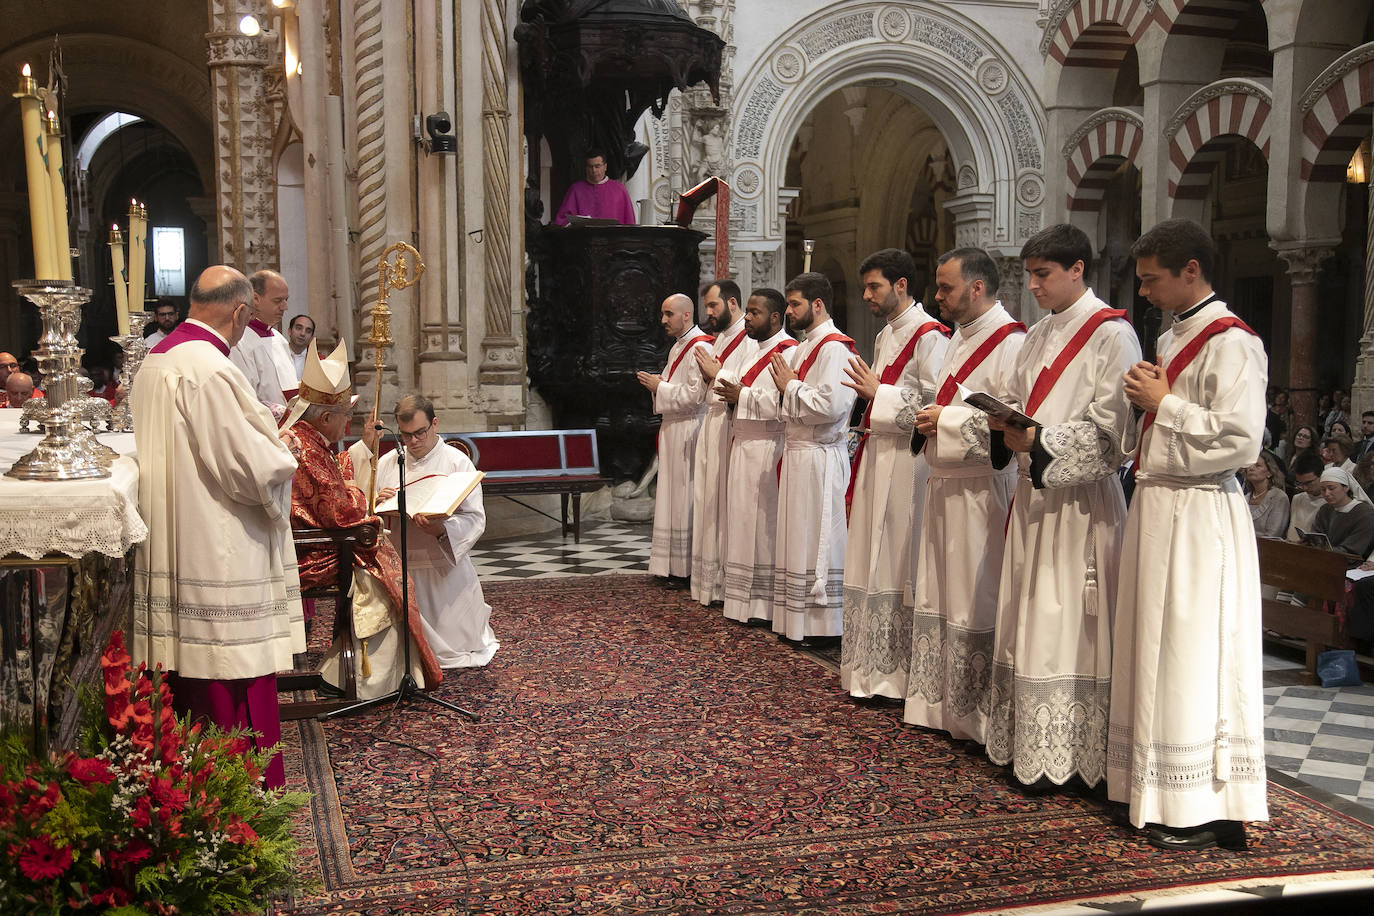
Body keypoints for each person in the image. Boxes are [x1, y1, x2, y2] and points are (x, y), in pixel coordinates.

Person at [1106, 217, 1269, 851]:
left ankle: (1204, 802)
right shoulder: (1176, 334)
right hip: (1158, 503)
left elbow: (1241, 440)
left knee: (1192, 656)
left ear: (1190, 272)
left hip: (1201, 514)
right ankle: (1158, 791)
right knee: (1155, 646)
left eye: (1151, 280)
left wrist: (1164, 403)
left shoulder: (1232, 343)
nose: (1143, 292)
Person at [129, 265, 304, 789]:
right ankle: (244, 794)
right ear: (238, 311)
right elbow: (249, 468)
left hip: (175, 535)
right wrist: (286, 453)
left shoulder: (156, 361)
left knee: (189, 674)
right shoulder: (209, 368)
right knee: (231, 670)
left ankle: (186, 790)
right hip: (219, 543)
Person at [985, 223, 1139, 791]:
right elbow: (1026, 399)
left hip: (1079, 505)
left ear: (1078, 269)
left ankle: (1075, 758)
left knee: (1066, 621)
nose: (1033, 285)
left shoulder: (1112, 336)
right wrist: (1008, 422)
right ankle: (1033, 746)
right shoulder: (1038, 332)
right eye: (1028, 274)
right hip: (1033, 495)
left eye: (1043, 274)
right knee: (1030, 614)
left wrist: (1041, 440)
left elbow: (1113, 435)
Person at [905, 248, 1025, 741]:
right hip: (945, 482)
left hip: (981, 490)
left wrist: (946, 420)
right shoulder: (959, 336)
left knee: (975, 596)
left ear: (977, 288)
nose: (938, 297)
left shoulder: (1012, 341)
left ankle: (976, 716)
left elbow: (1013, 416)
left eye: (946, 287)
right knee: (940, 593)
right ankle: (945, 707)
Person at [281, 340, 442, 699]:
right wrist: (358, 492)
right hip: (314, 553)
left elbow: (331, 482)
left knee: (384, 557)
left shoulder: (304, 438)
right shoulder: (306, 445)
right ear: (325, 417)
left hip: (309, 542)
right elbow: (343, 510)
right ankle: (372, 680)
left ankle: (349, 666)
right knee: (387, 573)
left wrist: (361, 455)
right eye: (345, 415)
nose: (349, 422)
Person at [839, 248, 949, 702]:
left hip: (907, 463)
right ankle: (868, 668)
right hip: (878, 454)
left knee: (894, 558)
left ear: (901, 285)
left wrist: (877, 394)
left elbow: (933, 407)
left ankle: (895, 674)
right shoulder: (888, 335)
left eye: (874, 287)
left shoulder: (930, 337)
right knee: (869, 554)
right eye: (865, 287)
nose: (867, 295)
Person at [358, 394, 499, 668]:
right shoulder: (388, 462)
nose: (413, 442)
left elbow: (474, 518)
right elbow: (364, 506)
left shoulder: (457, 462)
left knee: (455, 648)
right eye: (405, 435)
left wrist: (441, 529)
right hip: (403, 559)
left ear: (434, 424)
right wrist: (378, 499)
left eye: (420, 433)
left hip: (442, 564)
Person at [770, 272, 858, 646]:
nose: (789, 312)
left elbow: (832, 405)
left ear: (817, 305)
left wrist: (789, 386)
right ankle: (797, 620)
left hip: (820, 457)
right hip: (798, 454)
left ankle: (822, 624)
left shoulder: (835, 348)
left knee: (818, 539)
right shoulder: (806, 347)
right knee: (797, 539)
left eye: (795, 304)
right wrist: (787, 390)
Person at [714, 288, 795, 625]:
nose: (747, 317)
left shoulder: (789, 352)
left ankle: (763, 604)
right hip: (743, 445)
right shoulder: (752, 351)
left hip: (766, 448)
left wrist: (741, 394)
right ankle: (741, 600)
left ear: (775, 317)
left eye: (755, 312)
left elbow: (784, 404)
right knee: (741, 522)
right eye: (746, 311)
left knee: (762, 526)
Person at [638, 293, 712, 588]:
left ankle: (685, 569)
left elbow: (696, 397)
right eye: (662, 313)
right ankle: (671, 564)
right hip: (674, 427)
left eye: (669, 314)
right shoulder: (679, 346)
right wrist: (662, 386)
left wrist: (660, 386)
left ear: (686, 315)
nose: (663, 320)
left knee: (685, 496)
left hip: (689, 429)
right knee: (671, 496)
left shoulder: (701, 347)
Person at [688, 279, 750, 606]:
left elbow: (740, 384)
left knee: (721, 501)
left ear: (733, 304)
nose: (708, 312)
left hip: (728, 424)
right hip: (710, 423)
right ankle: (707, 582)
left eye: (713, 305)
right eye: (707, 306)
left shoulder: (747, 338)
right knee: (707, 498)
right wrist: (707, 376)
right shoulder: (720, 338)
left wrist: (716, 373)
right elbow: (706, 388)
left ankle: (723, 583)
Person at [229, 269, 298, 412]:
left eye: (286, 300)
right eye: (278, 300)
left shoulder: (280, 339)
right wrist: (281, 412)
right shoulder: (239, 341)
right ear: (255, 299)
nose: (285, 307)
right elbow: (244, 397)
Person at [554, 150, 636, 226]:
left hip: (613, 239)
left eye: (597, 166)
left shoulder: (619, 189)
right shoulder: (576, 189)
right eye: (590, 166)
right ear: (586, 168)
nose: (593, 170)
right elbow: (562, 220)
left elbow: (629, 221)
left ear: (605, 166)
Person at [1310, 466, 1374, 559]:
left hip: (1350, 566)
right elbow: (1316, 536)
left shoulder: (1365, 514)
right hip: (1323, 559)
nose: (1327, 493)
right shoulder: (1325, 509)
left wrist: (1323, 549)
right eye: (1323, 489)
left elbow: (1352, 551)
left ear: (1346, 487)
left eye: (1331, 488)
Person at [1244, 451, 1289, 538]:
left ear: (1269, 473)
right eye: (1250, 465)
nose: (1251, 468)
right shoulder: (1244, 497)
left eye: (1257, 466)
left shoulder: (1279, 497)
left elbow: (1273, 535)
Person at [1286, 454, 1327, 542]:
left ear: (1322, 475)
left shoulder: (1330, 501)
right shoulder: (1297, 498)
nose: (1304, 488)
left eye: (1308, 483)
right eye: (1300, 483)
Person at [286, 313, 316, 380]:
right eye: (299, 328)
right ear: (289, 331)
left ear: (312, 338)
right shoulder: (277, 356)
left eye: (308, 331)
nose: (303, 333)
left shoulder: (319, 362)